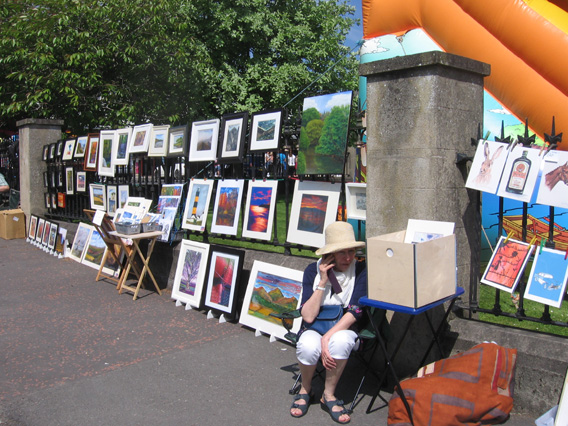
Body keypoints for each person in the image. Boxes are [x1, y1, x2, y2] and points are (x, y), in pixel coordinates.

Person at [290, 221, 366, 424]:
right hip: (315, 324)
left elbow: (356, 312)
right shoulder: (311, 272)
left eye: (351, 251)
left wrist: (327, 338)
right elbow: (307, 316)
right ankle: (306, 389)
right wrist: (323, 281)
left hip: (344, 325)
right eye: (342, 252)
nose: (349, 257)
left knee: (339, 342)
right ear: (330, 254)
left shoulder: (360, 271)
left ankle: (328, 394)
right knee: (307, 344)